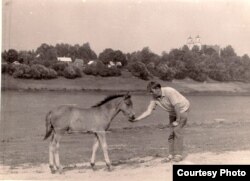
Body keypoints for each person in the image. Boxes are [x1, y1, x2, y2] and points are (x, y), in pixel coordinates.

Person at [131, 81, 190, 162]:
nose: (151, 93)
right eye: (150, 92)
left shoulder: (169, 91)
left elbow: (177, 106)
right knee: (171, 133)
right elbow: (148, 111)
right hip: (172, 112)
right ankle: (171, 155)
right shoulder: (154, 98)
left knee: (177, 130)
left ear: (158, 89)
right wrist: (137, 119)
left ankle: (178, 155)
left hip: (182, 109)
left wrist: (177, 120)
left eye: (152, 91)